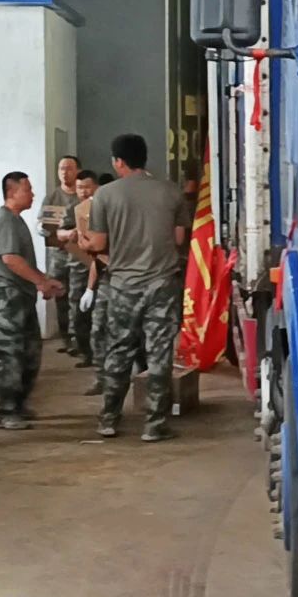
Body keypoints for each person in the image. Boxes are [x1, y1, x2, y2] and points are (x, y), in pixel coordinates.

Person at [80, 134, 191, 442]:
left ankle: (109, 420)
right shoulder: (171, 192)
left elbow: (99, 243)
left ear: (118, 161)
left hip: (122, 286)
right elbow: (179, 239)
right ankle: (155, 425)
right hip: (162, 284)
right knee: (159, 354)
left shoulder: (105, 195)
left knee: (118, 351)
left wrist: (83, 242)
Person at [0, 171, 64, 430]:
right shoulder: (4, 221)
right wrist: (40, 281)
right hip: (7, 298)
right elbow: (11, 259)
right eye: (27, 190)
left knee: (28, 353)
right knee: (9, 354)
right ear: (12, 192)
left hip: (21, 296)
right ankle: (3, 411)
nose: (32, 194)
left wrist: (43, 279)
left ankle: (17, 404)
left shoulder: (16, 220)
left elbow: (22, 261)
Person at [44, 155, 92, 363]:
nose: (65, 172)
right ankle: (66, 337)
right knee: (61, 297)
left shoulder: (85, 197)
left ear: (78, 170)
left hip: (80, 256)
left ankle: (78, 339)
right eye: (61, 168)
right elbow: (47, 230)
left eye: (69, 168)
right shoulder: (53, 197)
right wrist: (63, 235)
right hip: (59, 255)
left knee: (77, 297)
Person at [67, 170, 109, 396]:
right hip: (106, 278)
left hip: (129, 280)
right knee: (98, 330)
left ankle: (143, 376)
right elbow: (99, 258)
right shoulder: (83, 211)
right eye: (80, 187)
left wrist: (87, 243)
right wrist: (90, 289)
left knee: (135, 334)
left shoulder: (112, 212)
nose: (84, 192)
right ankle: (102, 379)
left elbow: (97, 248)